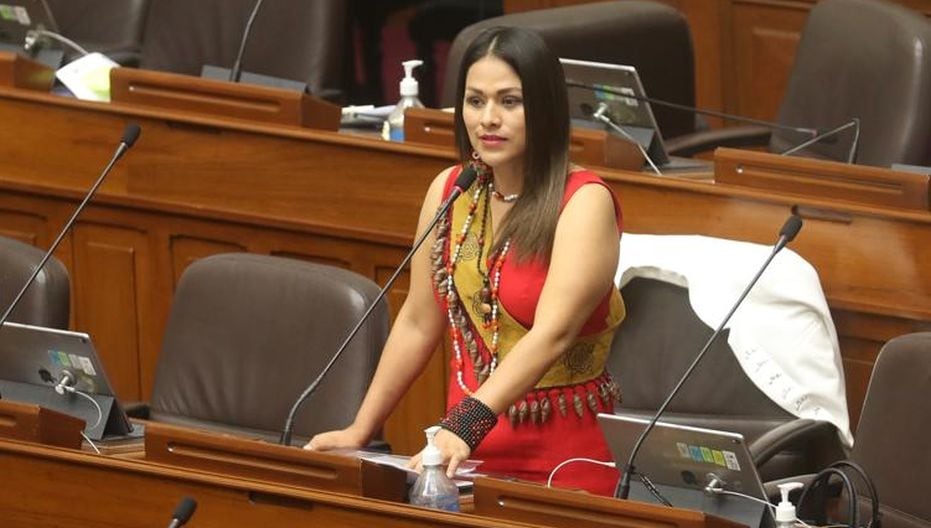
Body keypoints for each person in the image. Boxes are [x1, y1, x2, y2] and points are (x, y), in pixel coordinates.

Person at [307, 26, 625, 496]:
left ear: (545, 106)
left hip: (564, 462)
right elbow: (418, 321)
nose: (488, 119)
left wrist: (466, 423)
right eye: (475, 102)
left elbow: (553, 333)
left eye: (509, 102)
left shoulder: (584, 202)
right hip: (464, 458)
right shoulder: (451, 189)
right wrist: (362, 427)